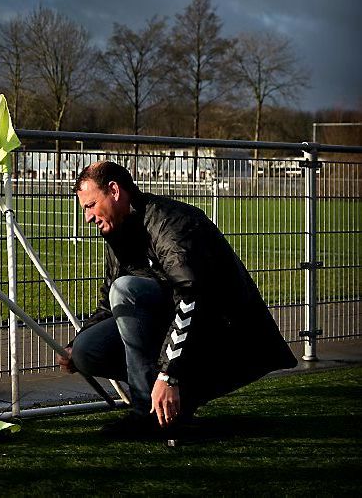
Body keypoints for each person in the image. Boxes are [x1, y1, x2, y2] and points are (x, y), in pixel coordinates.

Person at [57, 160, 297, 438]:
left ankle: (149, 411)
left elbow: (192, 298)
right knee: (88, 349)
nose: (87, 217)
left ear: (114, 191)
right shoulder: (120, 231)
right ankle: (162, 410)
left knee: (127, 290)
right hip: (182, 331)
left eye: (90, 206)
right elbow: (108, 304)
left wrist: (169, 374)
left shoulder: (170, 223)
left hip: (228, 338)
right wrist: (74, 345)